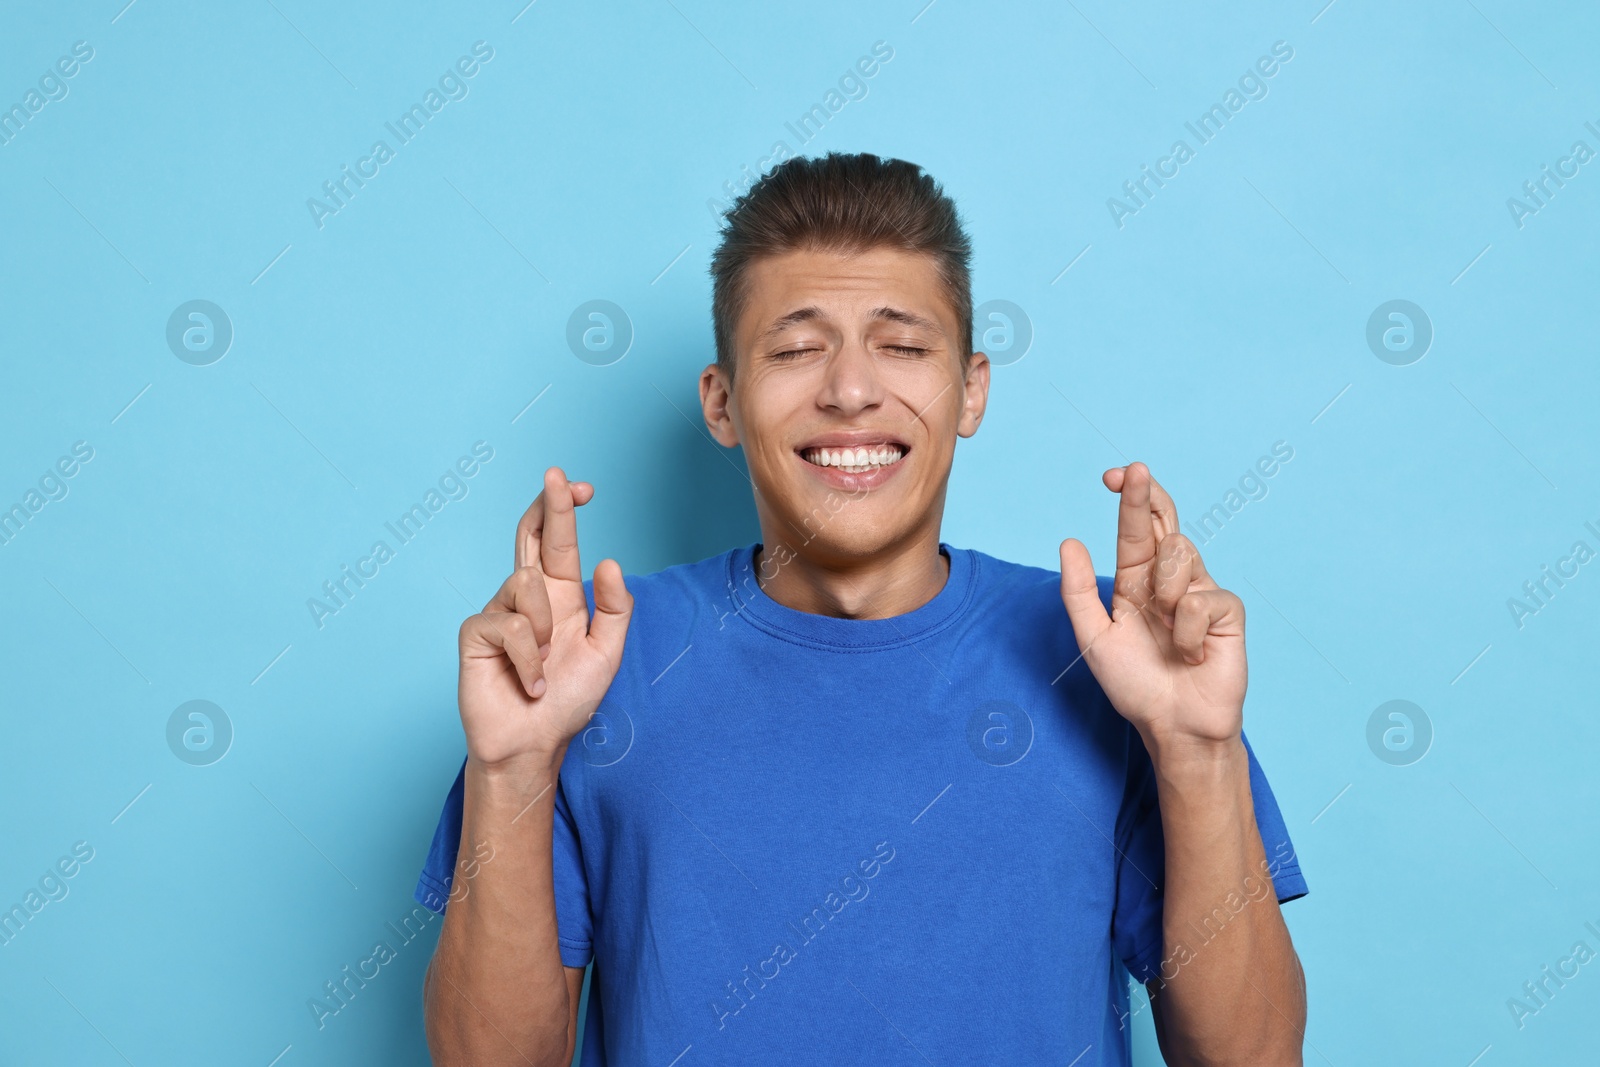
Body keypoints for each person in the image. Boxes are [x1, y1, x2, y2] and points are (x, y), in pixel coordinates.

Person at [415, 151, 1308, 1066]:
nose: (849, 390)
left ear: (971, 389)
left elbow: (1253, 1058)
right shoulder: (588, 660)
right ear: (721, 402)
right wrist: (513, 767)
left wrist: (1196, 753)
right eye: (798, 348)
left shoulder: (1117, 656)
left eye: (905, 345)